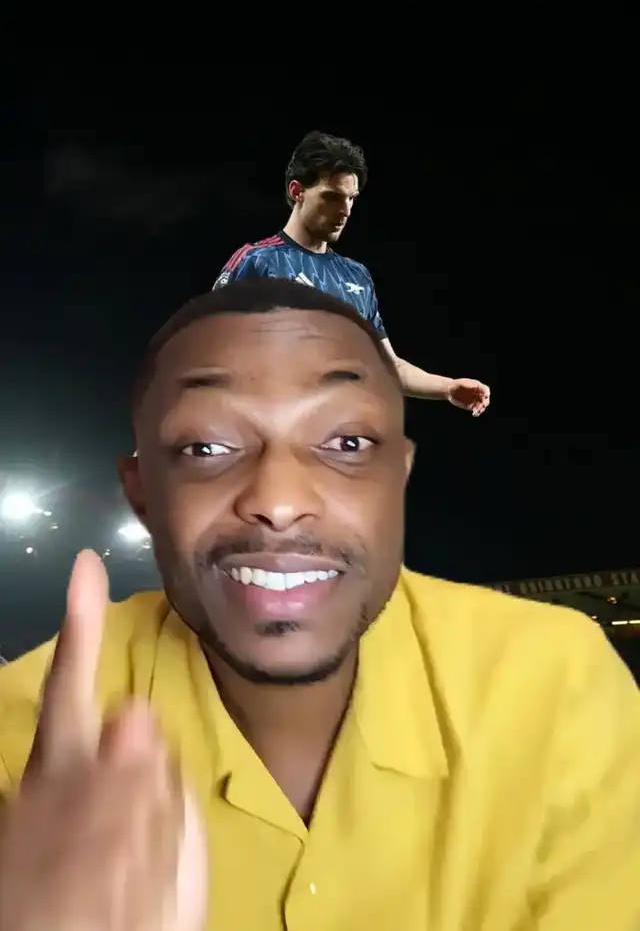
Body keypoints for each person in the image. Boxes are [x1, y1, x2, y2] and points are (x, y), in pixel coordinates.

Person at [1, 278, 639, 931]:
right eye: (207, 448)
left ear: (399, 474)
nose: (279, 502)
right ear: (141, 493)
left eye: (347, 443)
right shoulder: (16, 737)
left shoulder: (552, 682)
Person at [213, 130, 491, 416]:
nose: (345, 210)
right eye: (332, 197)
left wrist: (447, 387)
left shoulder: (356, 277)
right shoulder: (257, 262)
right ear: (297, 192)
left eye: (351, 199)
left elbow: (387, 366)